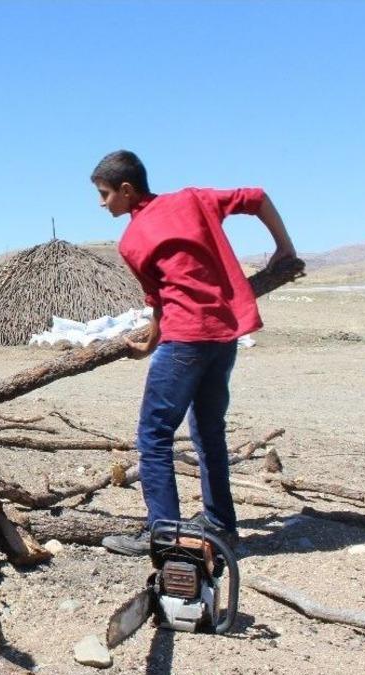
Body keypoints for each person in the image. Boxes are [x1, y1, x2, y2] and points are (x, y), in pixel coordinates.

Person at [90, 150, 296, 556]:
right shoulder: (192, 199)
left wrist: (155, 343)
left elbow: (160, 301)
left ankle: (164, 535)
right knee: (207, 431)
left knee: (154, 436)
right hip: (222, 337)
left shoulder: (131, 240)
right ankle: (221, 526)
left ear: (126, 190)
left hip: (184, 341)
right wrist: (284, 248)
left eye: (104, 194)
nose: (101, 203)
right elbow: (256, 196)